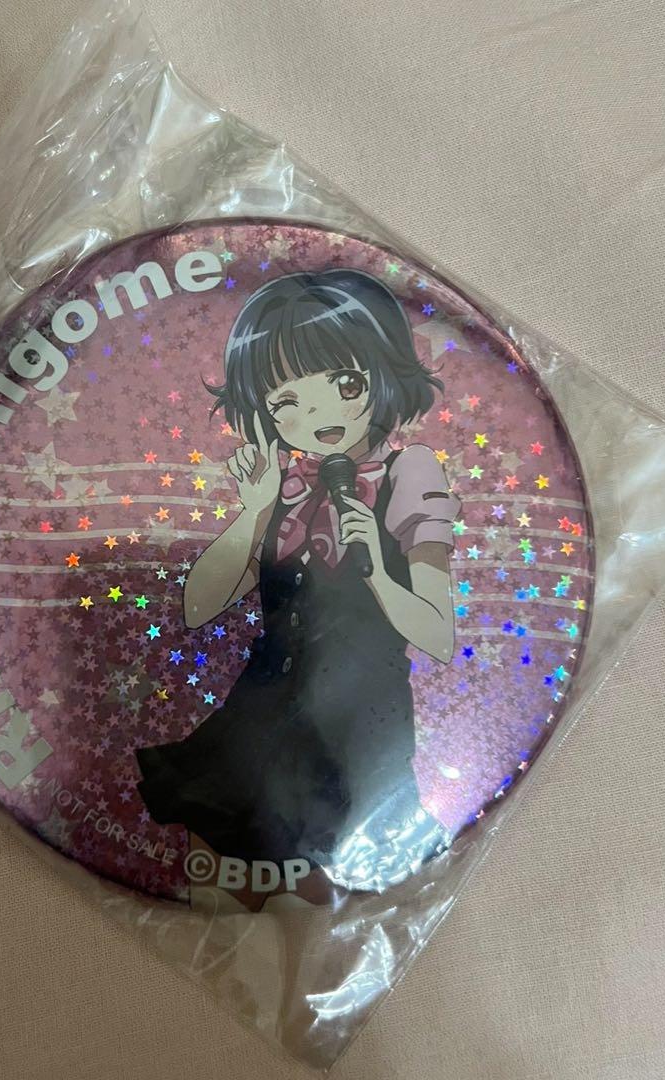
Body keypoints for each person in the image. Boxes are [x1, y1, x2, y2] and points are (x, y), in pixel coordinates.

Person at [135, 269, 459, 895]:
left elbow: (437, 634)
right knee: (221, 884)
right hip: (257, 718)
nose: (317, 414)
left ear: (384, 372)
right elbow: (198, 605)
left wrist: (378, 570)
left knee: (330, 891)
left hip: (357, 726)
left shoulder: (409, 473)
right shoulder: (282, 489)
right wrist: (254, 509)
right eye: (286, 402)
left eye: (344, 384)